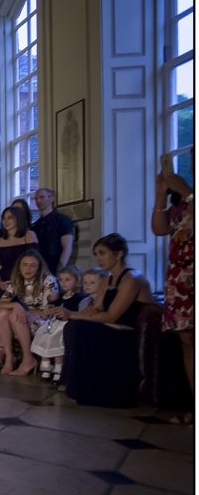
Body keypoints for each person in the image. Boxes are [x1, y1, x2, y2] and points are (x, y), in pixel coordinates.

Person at [57, 234, 154, 408]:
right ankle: (79, 387)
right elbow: (96, 308)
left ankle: (106, 392)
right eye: (96, 254)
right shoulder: (107, 279)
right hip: (109, 328)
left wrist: (73, 314)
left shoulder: (132, 278)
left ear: (119, 254)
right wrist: (70, 314)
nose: (98, 258)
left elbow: (112, 315)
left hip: (125, 334)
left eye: (102, 253)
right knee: (74, 327)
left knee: (81, 327)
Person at [152, 166, 194, 424]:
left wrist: (188, 194)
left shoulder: (188, 196)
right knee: (187, 342)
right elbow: (159, 229)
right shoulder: (179, 203)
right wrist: (160, 196)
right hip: (179, 279)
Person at [0, 206, 39, 367]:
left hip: (24, 282)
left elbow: (34, 263)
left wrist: (18, 282)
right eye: (4, 218)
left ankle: (2, 350)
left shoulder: (29, 236)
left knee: (3, 311)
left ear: (18, 218)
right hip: (3, 282)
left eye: (10, 217)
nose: (6, 221)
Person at [0, 250, 57, 376]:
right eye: (25, 264)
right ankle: (9, 357)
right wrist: (15, 304)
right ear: (19, 266)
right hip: (27, 319)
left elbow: (47, 313)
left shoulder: (48, 280)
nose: (28, 269)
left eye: (33, 265)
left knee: (14, 315)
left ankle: (28, 359)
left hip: (46, 323)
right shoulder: (16, 281)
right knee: (1, 313)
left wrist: (24, 310)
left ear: (39, 268)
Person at [32, 266, 86, 386]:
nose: (63, 283)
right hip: (55, 323)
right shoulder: (61, 296)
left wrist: (67, 314)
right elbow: (54, 307)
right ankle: (46, 366)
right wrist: (51, 306)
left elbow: (76, 312)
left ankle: (59, 369)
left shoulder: (78, 298)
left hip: (66, 324)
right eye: (61, 280)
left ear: (76, 281)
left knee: (57, 341)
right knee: (44, 336)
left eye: (67, 279)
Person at [31, 188, 74, 275]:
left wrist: (59, 270)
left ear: (51, 198)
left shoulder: (63, 220)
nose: (38, 201)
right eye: (36, 199)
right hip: (39, 269)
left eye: (42, 197)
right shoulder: (35, 226)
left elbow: (67, 248)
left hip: (56, 268)